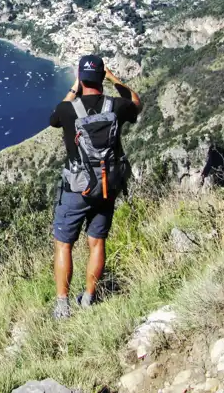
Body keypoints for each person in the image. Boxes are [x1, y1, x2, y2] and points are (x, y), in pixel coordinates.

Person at [49, 55, 142, 319]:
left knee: (64, 245)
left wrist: (73, 87)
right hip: (106, 187)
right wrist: (114, 80)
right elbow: (137, 103)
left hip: (76, 189)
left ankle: (63, 305)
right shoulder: (116, 106)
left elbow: (54, 118)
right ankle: (89, 297)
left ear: (80, 77)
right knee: (97, 242)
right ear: (101, 77)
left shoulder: (69, 109)